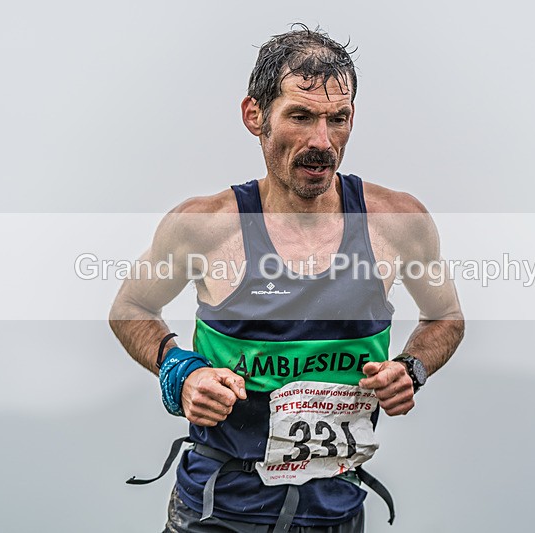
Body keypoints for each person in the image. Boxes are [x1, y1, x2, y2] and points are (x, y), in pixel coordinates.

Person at [109, 25, 464, 533]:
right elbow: (130, 309)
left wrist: (411, 368)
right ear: (255, 115)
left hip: (336, 506)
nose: (322, 142)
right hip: (217, 508)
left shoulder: (398, 222)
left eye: (337, 119)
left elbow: (446, 317)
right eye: (300, 116)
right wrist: (181, 372)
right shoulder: (203, 226)